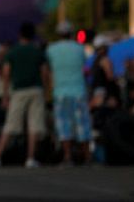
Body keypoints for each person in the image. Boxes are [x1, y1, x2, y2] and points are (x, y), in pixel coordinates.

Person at [0, 22, 48, 170]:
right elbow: (45, 72)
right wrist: (44, 90)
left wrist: (5, 94)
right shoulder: (37, 51)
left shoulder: (13, 52)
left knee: (11, 124)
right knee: (34, 125)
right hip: (36, 90)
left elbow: (6, 73)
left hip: (18, 91)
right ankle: (31, 158)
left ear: (20, 35)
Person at [45, 21, 92, 167]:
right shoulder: (79, 48)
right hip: (79, 91)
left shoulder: (51, 49)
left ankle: (67, 156)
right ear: (71, 33)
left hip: (60, 92)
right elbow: (85, 69)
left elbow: (48, 70)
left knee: (63, 125)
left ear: (58, 34)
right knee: (83, 124)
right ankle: (88, 157)